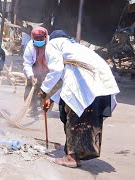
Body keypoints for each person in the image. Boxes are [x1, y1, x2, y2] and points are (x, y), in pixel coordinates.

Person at [40, 30, 120, 168]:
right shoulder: (77, 48)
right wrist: (52, 99)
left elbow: (56, 69)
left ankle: (72, 158)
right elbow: (70, 81)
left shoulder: (53, 43)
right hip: (102, 87)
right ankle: (76, 154)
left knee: (74, 118)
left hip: (87, 87)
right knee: (88, 120)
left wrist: (44, 89)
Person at [23, 27, 49, 116]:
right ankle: (31, 107)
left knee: (46, 89)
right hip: (34, 69)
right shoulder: (30, 46)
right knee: (30, 88)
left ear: (45, 37)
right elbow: (27, 63)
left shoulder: (50, 45)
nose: (38, 41)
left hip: (47, 70)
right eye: (36, 39)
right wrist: (31, 76)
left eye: (41, 39)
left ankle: (45, 109)